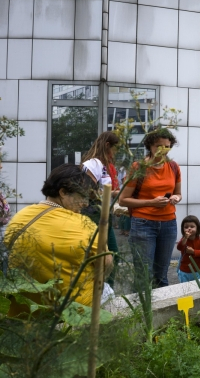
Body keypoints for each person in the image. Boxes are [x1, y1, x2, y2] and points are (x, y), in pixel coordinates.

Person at [5, 164, 113, 312]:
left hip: (24, 311)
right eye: (82, 196)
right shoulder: (83, 224)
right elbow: (105, 263)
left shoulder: (20, 216)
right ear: (63, 192)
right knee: (109, 293)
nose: (85, 203)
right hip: (71, 313)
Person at [119, 128, 182, 288]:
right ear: (150, 146)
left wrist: (176, 198)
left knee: (162, 274)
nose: (163, 150)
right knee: (143, 275)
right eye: (158, 146)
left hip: (169, 224)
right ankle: (142, 311)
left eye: (167, 146)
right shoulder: (138, 167)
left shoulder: (174, 167)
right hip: (143, 224)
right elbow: (123, 200)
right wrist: (151, 202)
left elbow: (179, 194)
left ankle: (162, 311)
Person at [81, 131, 121, 286]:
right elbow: (89, 193)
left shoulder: (105, 166)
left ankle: (105, 289)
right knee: (106, 255)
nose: (116, 154)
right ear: (107, 146)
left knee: (112, 254)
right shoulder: (91, 165)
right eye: (116, 149)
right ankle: (101, 289)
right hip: (93, 215)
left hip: (104, 214)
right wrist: (114, 193)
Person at [176, 215, 200, 283]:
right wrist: (185, 238)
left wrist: (193, 251)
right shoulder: (184, 239)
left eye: (192, 226)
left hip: (197, 270)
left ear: (197, 228)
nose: (189, 229)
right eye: (186, 227)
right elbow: (179, 247)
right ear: (183, 229)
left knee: (197, 289)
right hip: (184, 271)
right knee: (185, 289)